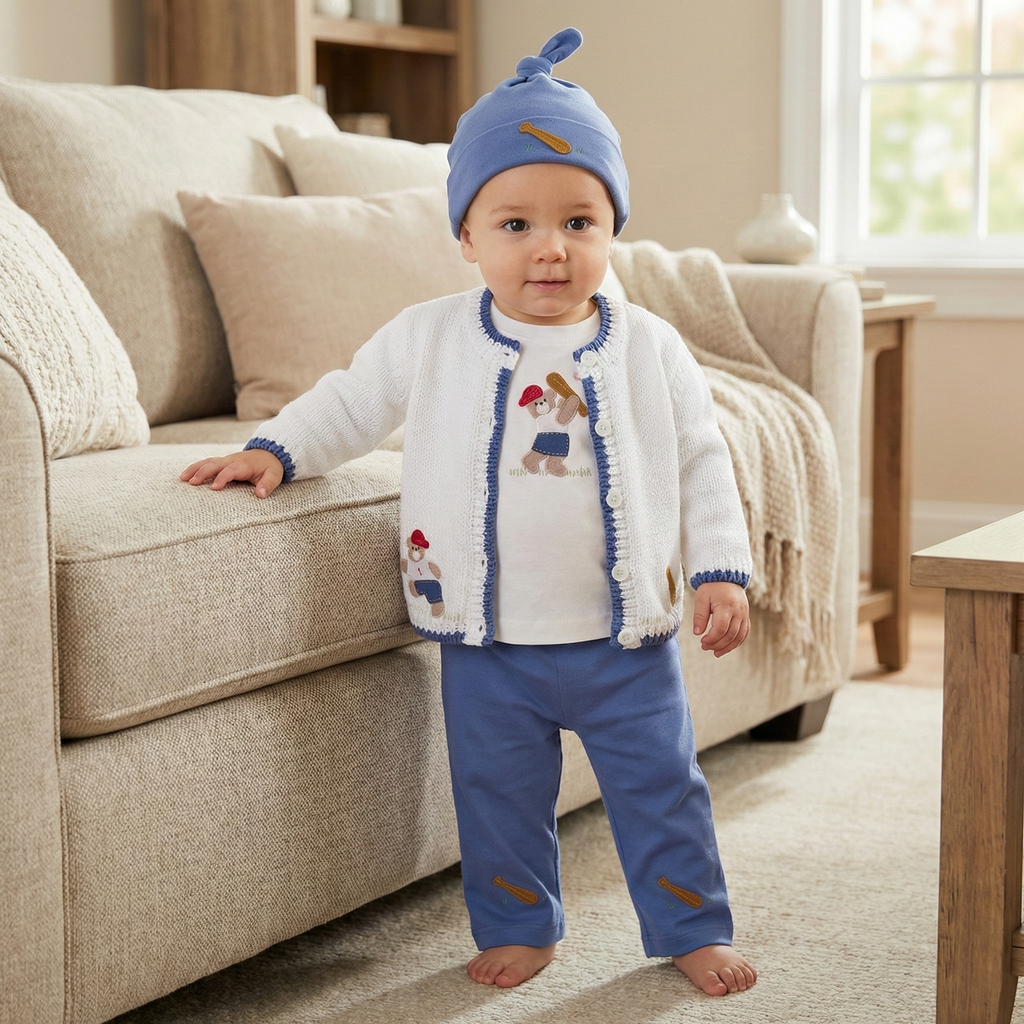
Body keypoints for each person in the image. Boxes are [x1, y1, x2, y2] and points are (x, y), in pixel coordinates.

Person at [180, 27, 757, 997]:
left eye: (580, 222)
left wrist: (719, 569)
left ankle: (690, 924)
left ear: (613, 230)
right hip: (486, 639)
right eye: (516, 224)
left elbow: (703, 457)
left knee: (662, 790)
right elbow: (350, 400)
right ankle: (521, 923)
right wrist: (275, 447)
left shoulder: (649, 347)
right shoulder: (430, 336)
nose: (550, 248)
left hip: (625, 642)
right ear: (466, 236)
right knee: (497, 796)